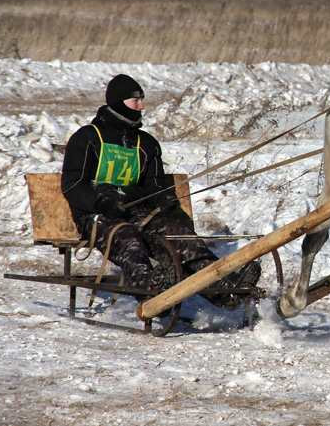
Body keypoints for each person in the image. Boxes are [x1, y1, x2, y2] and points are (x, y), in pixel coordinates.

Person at [61, 74, 260, 311]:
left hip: (138, 214)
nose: (142, 106)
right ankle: (152, 293)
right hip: (98, 217)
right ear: (118, 102)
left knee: (180, 234)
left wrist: (161, 197)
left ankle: (225, 289)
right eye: (136, 101)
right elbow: (73, 185)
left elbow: (153, 184)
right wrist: (101, 203)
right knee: (127, 238)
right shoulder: (87, 138)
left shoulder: (146, 143)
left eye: (141, 100)